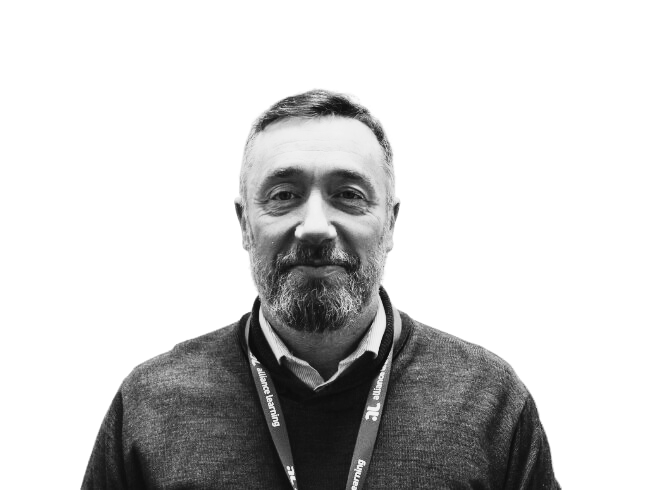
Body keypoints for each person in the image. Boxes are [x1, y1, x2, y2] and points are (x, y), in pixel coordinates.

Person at [83, 89, 559, 489]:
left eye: (348, 195)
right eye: (283, 196)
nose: (314, 227)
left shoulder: (488, 401)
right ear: (244, 224)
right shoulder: (152, 405)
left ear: (390, 224)